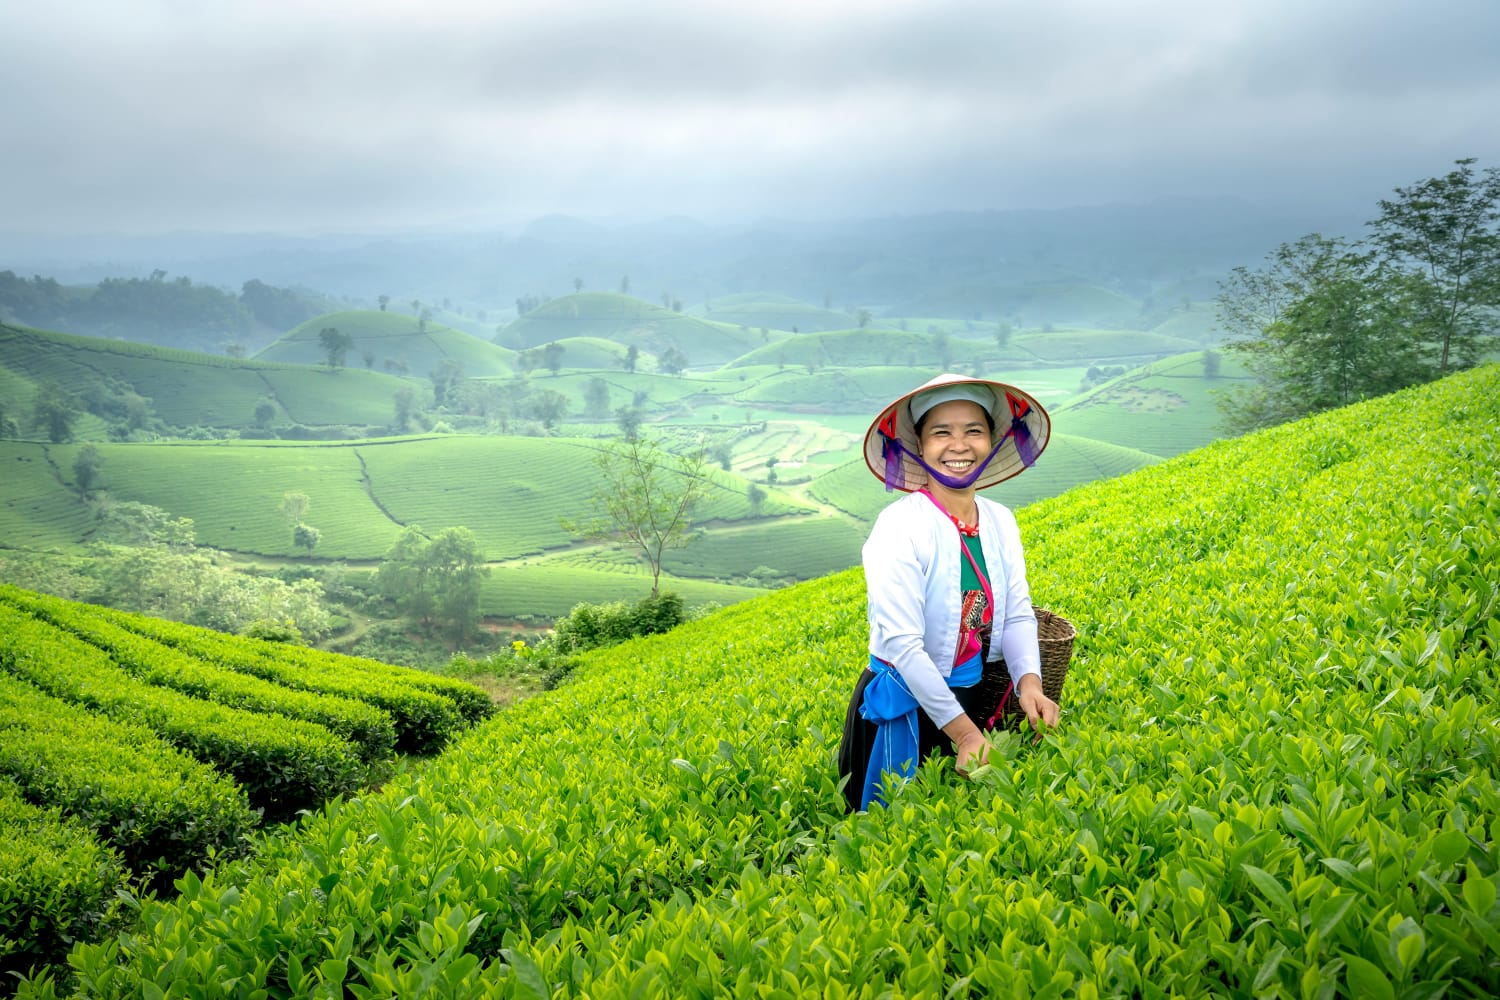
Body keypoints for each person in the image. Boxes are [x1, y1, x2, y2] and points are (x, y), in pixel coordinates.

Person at [837, 372, 1059, 811]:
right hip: (904, 709)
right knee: (890, 832)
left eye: (973, 431)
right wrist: (965, 734)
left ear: (992, 441)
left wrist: (1029, 682)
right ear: (920, 446)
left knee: (957, 827)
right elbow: (902, 644)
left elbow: (1016, 613)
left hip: (968, 698)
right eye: (942, 432)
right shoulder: (900, 527)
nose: (959, 445)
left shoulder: (1000, 520)